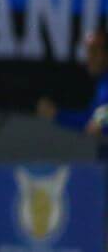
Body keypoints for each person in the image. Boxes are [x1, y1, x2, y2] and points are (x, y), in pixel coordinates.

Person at [37, 28, 108, 160]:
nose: (89, 59)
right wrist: (57, 114)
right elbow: (91, 120)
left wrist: (57, 114)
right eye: (88, 53)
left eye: (94, 53)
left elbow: (96, 122)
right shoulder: (102, 85)